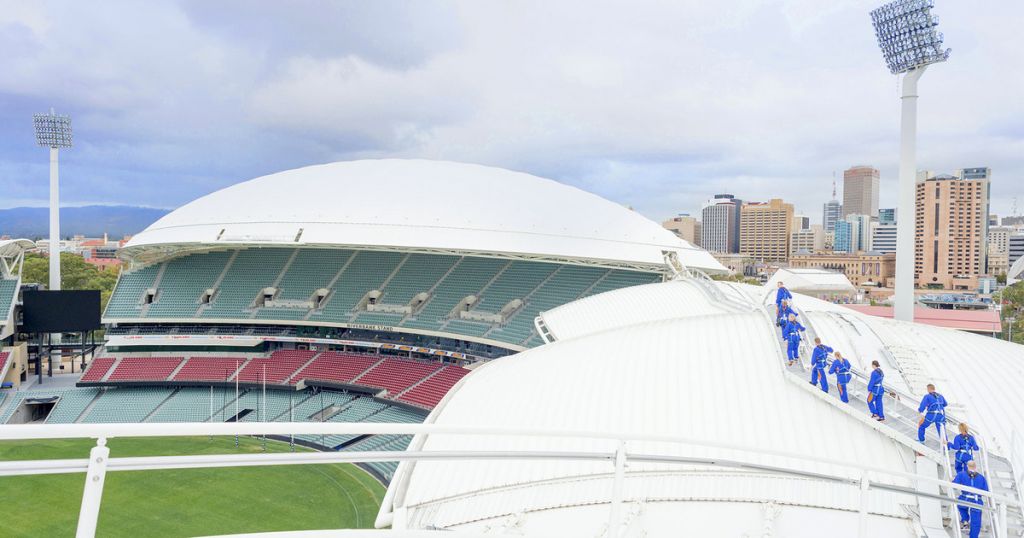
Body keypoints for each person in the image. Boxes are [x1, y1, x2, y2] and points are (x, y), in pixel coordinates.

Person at [953, 460, 988, 538]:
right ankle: (973, 536)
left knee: (961, 507)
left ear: (967, 466)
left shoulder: (961, 474)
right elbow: (986, 490)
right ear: (975, 467)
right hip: (977, 500)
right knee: (976, 522)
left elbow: (954, 485)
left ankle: (965, 519)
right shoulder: (981, 477)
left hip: (965, 498)